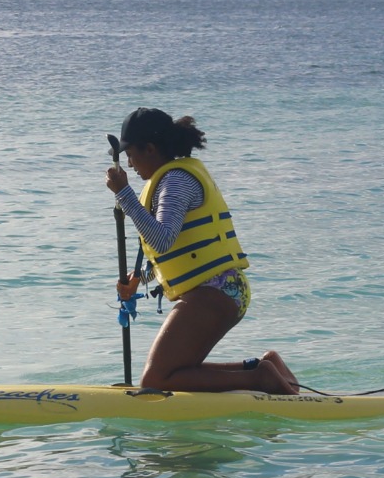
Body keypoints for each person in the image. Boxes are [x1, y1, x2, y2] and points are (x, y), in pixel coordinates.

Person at [105, 107, 299, 395]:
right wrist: (141, 278)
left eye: (130, 155)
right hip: (221, 290)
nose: (130, 165)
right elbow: (177, 249)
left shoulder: (176, 182)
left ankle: (259, 379)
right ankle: (261, 368)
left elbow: (162, 240)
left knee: (156, 380)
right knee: (178, 372)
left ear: (150, 149)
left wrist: (124, 194)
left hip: (214, 292)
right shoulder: (170, 180)